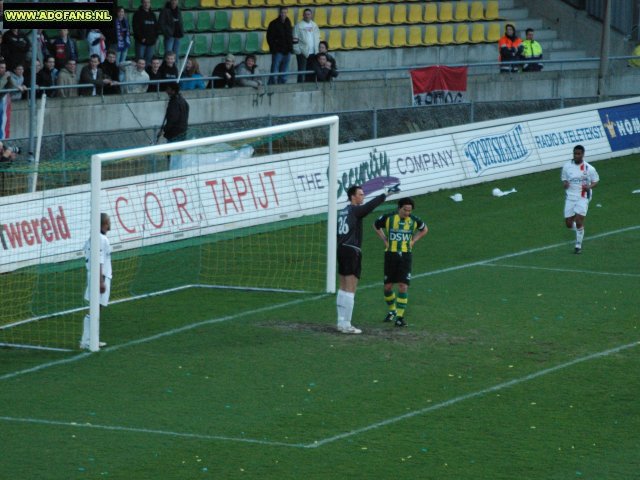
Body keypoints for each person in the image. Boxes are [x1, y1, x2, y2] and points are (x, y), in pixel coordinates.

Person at [336, 183, 401, 334]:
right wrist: (386, 194)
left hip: (341, 248)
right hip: (352, 250)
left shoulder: (343, 211)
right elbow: (370, 207)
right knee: (351, 288)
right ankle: (346, 324)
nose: (363, 196)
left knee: (343, 286)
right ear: (353, 196)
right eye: (360, 194)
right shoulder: (355, 210)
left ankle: (341, 322)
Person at [373, 197, 428, 327]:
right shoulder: (389, 218)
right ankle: (392, 311)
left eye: (409, 211)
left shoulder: (414, 221)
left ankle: (399, 317)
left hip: (405, 256)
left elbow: (425, 229)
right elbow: (375, 225)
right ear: (399, 208)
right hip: (390, 255)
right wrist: (384, 239)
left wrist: (414, 240)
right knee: (387, 287)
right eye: (405, 210)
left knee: (403, 285)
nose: (407, 213)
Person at [81, 212, 111, 350]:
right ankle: (87, 341)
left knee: (96, 308)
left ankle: (92, 339)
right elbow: (98, 260)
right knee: (94, 309)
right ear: (104, 224)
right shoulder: (99, 238)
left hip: (96, 275)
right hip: (99, 276)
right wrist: (101, 280)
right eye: (108, 222)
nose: (110, 224)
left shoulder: (95, 238)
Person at [561, 145, 600, 254]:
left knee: (578, 220)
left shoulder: (589, 168)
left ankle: (578, 245)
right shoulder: (567, 166)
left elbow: (596, 181)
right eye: (575, 153)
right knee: (568, 224)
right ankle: (580, 230)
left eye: (578, 154)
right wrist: (565, 184)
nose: (576, 156)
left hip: (583, 196)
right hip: (570, 196)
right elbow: (564, 180)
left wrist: (589, 187)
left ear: (583, 154)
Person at [266, 6, 293, 85]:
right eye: (282, 12)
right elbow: (269, 37)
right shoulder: (273, 23)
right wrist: (274, 48)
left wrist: (290, 48)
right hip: (278, 50)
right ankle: (272, 83)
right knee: (275, 68)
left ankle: (282, 83)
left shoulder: (288, 22)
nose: (283, 14)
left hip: (287, 50)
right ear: (279, 13)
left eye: (285, 12)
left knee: (285, 69)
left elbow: (289, 36)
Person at [293, 8, 320, 83]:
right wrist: (298, 51)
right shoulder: (298, 26)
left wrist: (317, 50)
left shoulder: (314, 25)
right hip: (302, 52)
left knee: (311, 71)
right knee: (302, 72)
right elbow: (295, 39)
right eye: (305, 14)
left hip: (313, 52)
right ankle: (300, 87)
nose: (307, 16)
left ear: (311, 15)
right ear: (303, 15)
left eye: (308, 14)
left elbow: (318, 38)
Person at [133, 0, 158, 65]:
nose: (146, 4)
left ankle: (146, 75)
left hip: (151, 42)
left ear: (150, 3)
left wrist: (155, 38)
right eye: (145, 2)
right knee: (139, 61)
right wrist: (141, 38)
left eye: (148, 2)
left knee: (148, 61)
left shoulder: (153, 14)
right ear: (142, 3)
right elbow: (135, 28)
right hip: (141, 42)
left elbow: (156, 28)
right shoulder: (137, 14)